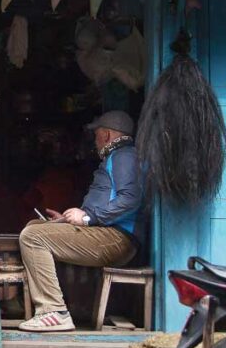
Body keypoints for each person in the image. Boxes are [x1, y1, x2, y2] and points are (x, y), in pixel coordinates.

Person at [18, 110, 144, 332]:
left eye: (96, 135)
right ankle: (55, 308)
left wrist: (88, 217)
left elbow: (130, 199)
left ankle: (53, 311)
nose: (94, 141)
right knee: (35, 227)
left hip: (116, 239)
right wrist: (67, 222)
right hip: (106, 234)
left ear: (106, 135)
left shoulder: (124, 156)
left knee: (32, 237)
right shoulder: (117, 157)